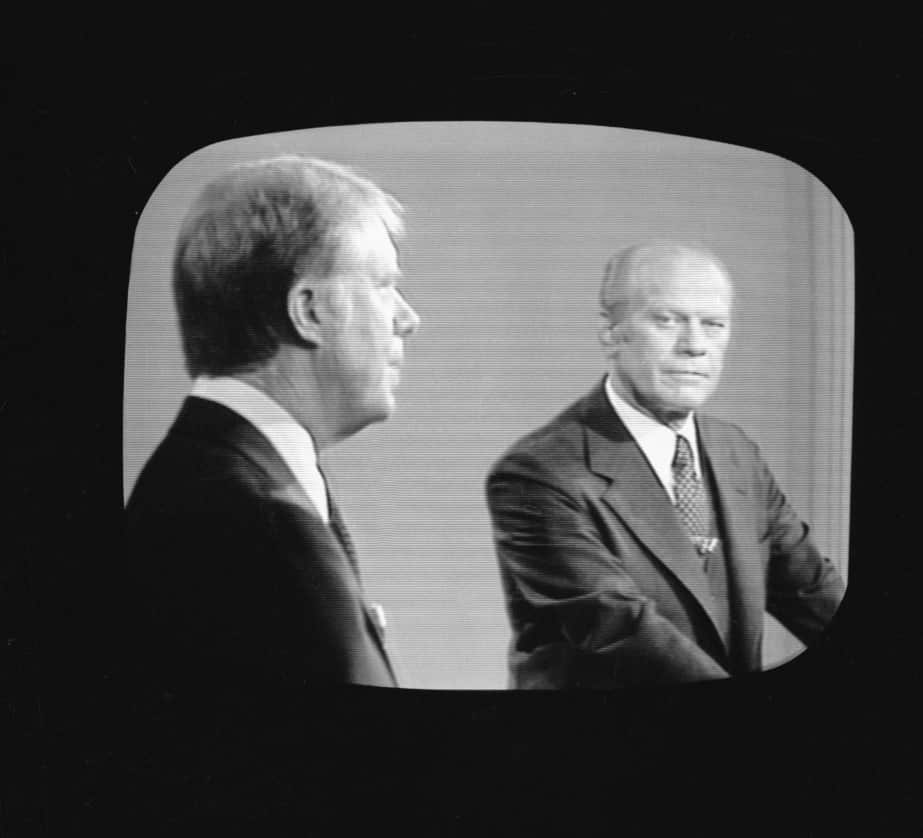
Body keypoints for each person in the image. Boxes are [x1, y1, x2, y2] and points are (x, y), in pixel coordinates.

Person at [486, 241, 845, 689]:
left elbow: (812, 590)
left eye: (713, 324)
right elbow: (621, 630)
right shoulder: (538, 472)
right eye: (667, 320)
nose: (695, 346)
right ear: (612, 334)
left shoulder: (738, 454)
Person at [124, 155, 420, 696]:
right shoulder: (258, 514)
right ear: (307, 311)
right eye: (382, 285)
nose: (407, 317)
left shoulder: (219, 477)